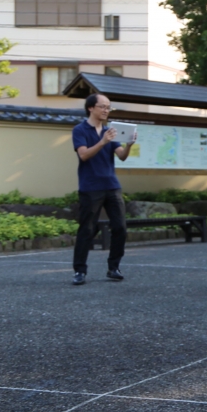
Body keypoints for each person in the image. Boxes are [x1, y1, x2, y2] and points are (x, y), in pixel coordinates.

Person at [71, 93, 137, 285]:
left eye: (108, 107)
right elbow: (83, 155)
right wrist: (102, 142)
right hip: (90, 187)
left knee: (120, 228)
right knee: (87, 230)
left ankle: (113, 267)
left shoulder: (110, 131)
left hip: (112, 186)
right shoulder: (80, 130)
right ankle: (79, 271)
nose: (106, 110)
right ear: (91, 108)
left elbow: (122, 156)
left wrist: (129, 144)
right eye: (103, 107)